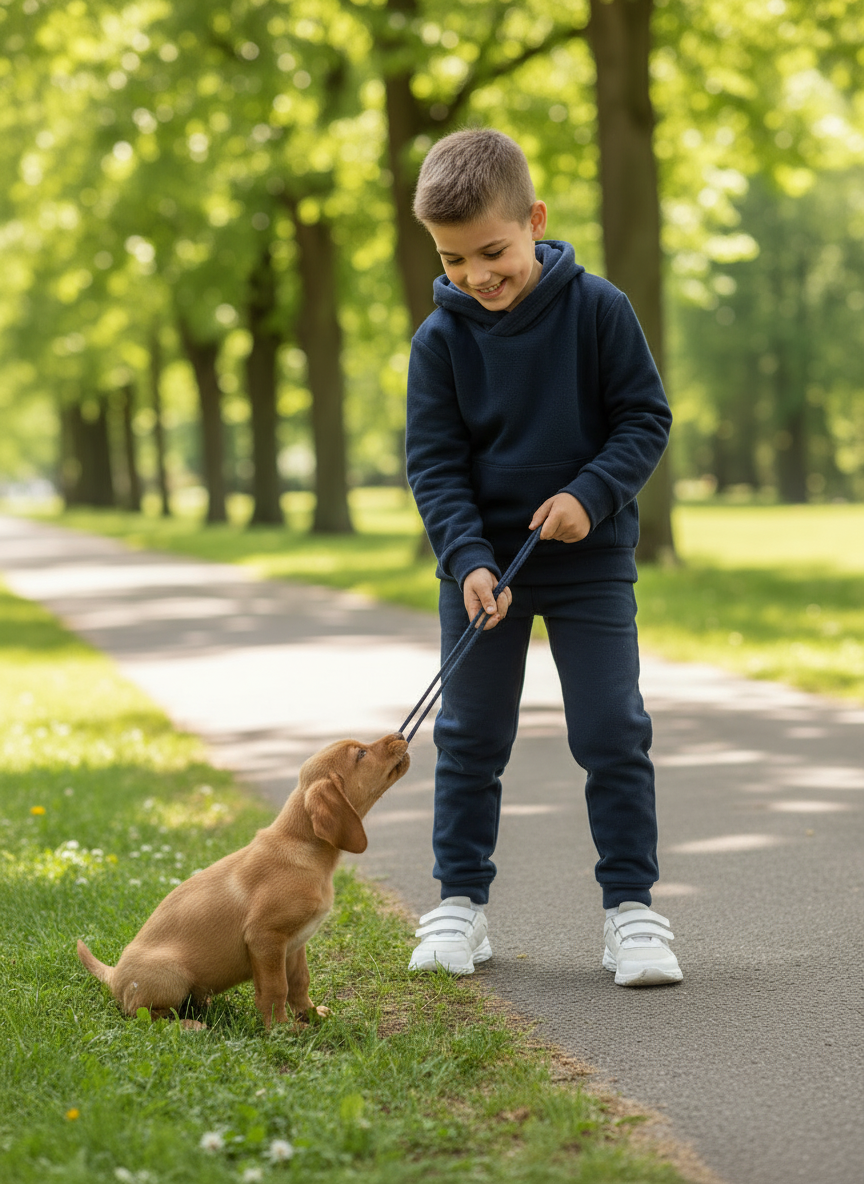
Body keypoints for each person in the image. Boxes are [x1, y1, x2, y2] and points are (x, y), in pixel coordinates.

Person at [405, 128, 682, 987]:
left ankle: (632, 912)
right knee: (470, 738)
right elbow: (435, 464)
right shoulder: (440, 342)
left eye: (493, 251)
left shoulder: (599, 309)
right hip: (485, 568)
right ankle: (459, 904)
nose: (477, 276)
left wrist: (588, 497)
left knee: (612, 731)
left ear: (534, 220)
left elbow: (645, 418)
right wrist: (466, 557)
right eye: (454, 261)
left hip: (589, 560)